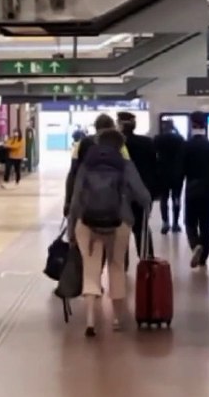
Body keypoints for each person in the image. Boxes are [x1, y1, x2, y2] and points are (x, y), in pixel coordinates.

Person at [66, 128, 151, 337]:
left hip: (87, 222)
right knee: (116, 266)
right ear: (120, 146)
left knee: (90, 268)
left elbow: (76, 200)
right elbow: (144, 196)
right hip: (119, 222)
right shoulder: (125, 164)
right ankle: (116, 318)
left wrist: (70, 230)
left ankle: (90, 321)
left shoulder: (87, 165)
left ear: (98, 142)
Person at [182, 111, 209, 268]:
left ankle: (196, 245)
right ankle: (203, 258)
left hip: (192, 191)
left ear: (191, 125)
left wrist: (174, 192)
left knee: (190, 223)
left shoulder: (186, 146)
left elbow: (181, 171)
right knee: (206, 226)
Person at [64, 114, 129, 212]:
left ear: (95, 127)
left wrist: (68, 201)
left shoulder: (82, 143)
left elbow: (73, 173)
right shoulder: (119, 144)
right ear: (112, 127)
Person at [117, 111, 160, 255]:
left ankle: (122, 262)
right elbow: (155, 167)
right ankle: (147, 260)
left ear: (120, 124)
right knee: (142, 227)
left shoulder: (118, 145)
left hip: (123, 193)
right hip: (144, 192)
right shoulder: (147, 143)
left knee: (122, 227)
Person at [153, 119, 187, 234]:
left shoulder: (158, 139)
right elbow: (184, 154)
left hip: (162, 173)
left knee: (164, 198)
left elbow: (154, 155)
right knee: (176, 198)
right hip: (177, 173)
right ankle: (176, 223)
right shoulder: (179, 139)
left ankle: (165, 222)